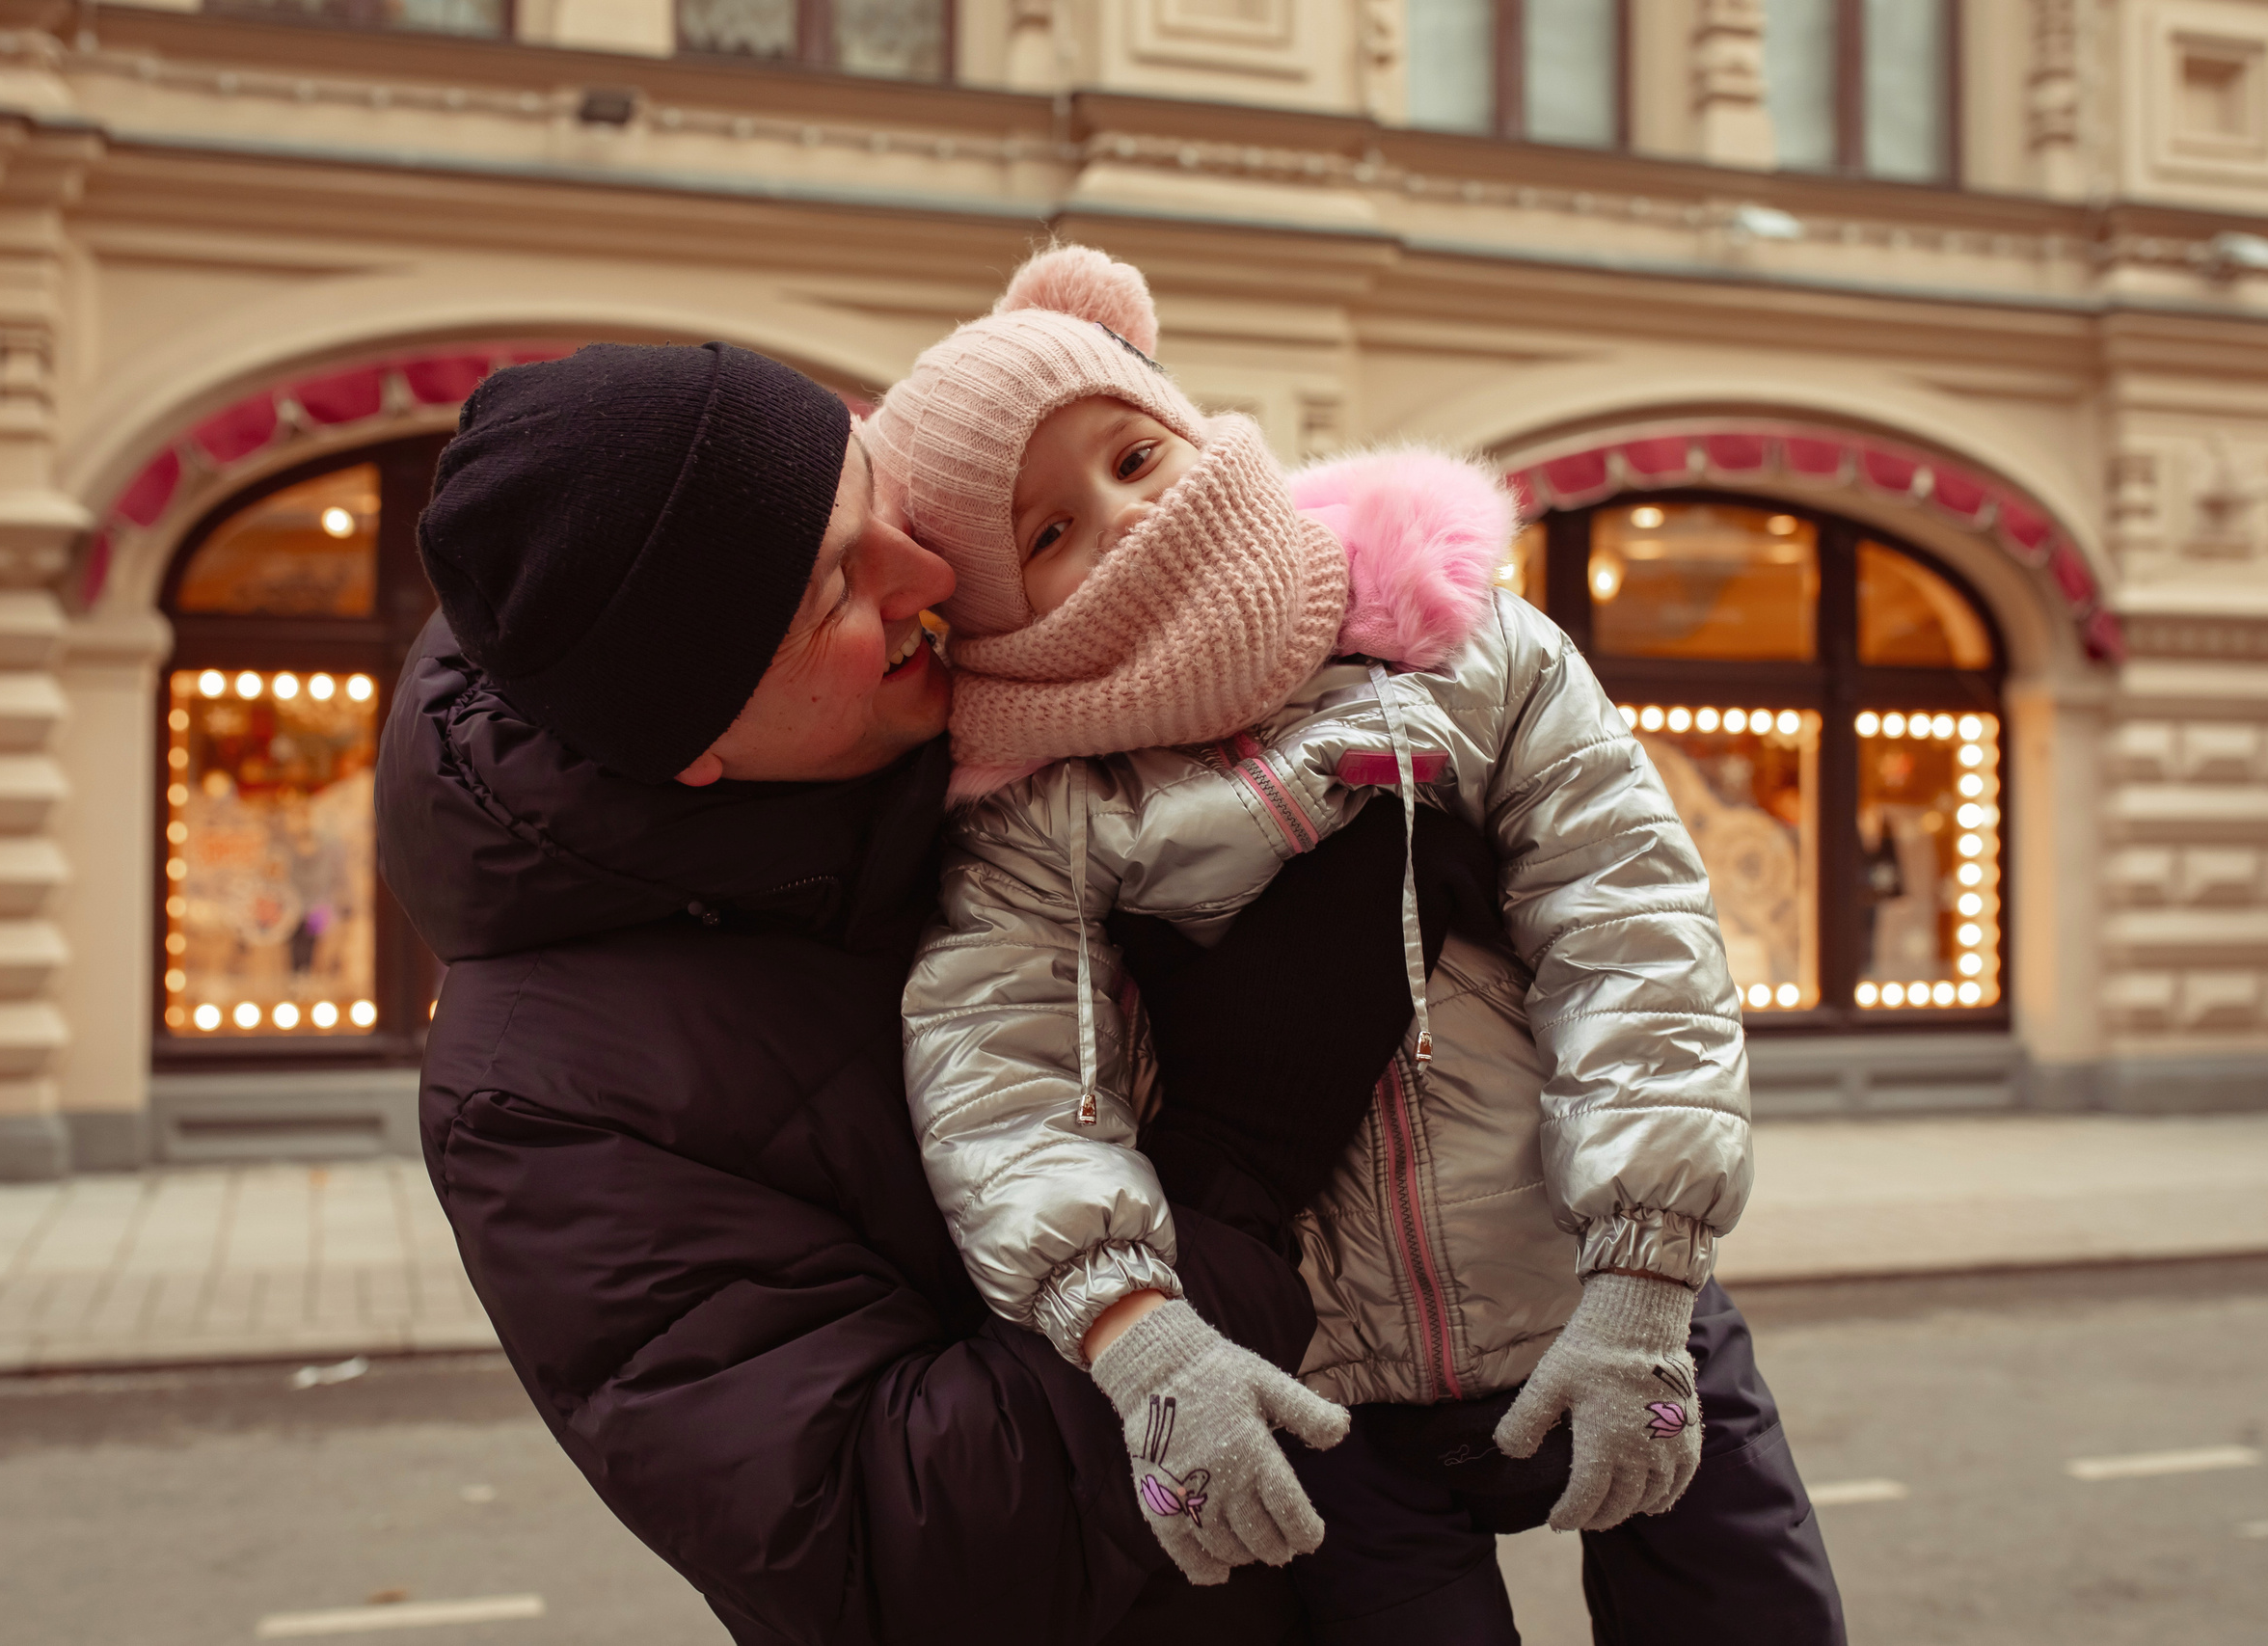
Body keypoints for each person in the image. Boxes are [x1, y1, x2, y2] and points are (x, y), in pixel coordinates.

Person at [375, 337, 1473, 1645]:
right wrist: (1240, 1158)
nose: (932, 574)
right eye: (842, 588)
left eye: (875, 495)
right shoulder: (545, 1100)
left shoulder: (976, 737)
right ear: (696, 743)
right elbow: (900, 1545)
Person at [874, 247, 1844, 1642]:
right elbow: (1003, 1081)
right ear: (993, 616)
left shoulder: (1470, 650)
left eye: (1134, 456)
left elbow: (1632, 936)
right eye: (1047, 534)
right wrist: (1140, 1337)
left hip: (1610, 1296)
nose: (1126, 518)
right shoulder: (1038, 812)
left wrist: (1645, 1271)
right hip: (1327, 1393)